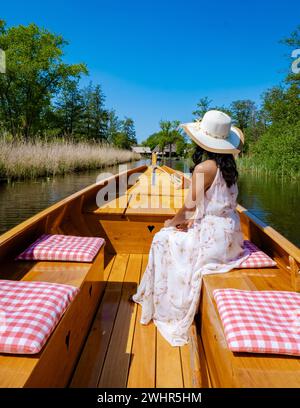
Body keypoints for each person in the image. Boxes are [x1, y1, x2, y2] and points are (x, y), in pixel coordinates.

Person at [131, 110, 250, 347]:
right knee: (174, 234)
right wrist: (193, 221)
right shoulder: (230, 167)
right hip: (232, 236)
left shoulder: (204, 168)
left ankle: (155, 301)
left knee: (162, 239)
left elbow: (187, 209)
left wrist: (170, 224)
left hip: (213, 238)